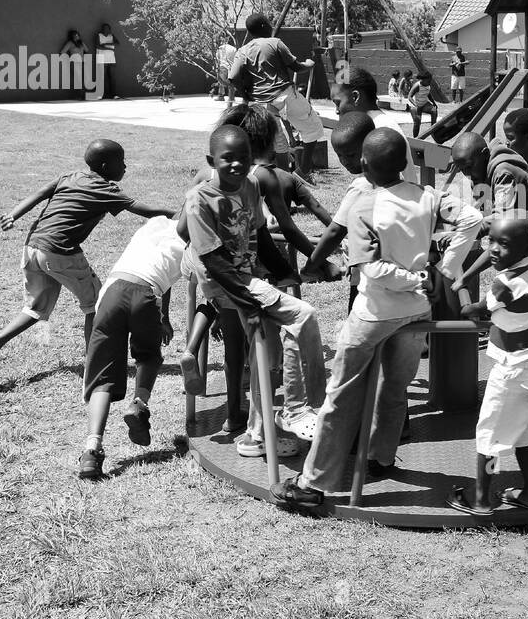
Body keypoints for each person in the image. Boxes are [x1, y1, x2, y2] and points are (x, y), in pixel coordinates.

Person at [276, 128, 481, 509]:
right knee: (394, 387)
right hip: (417, 312)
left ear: (364, 165)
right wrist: (444, 269)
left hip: (374, 315)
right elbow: (472, 219)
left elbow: (371, 271)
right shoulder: (430, 196)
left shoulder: (364, 207)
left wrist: (420, 277)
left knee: (341, 394)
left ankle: (313, 482)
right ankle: (381, 456)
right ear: (405, 163)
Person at [178, 106, 333, 437]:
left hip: (217, 273)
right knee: (270, 338)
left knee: (243, 346)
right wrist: (311, 265)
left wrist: (281, 271)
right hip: (231, 277)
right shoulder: (257, 178)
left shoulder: (238, 181)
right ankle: (290, 411)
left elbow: (257, 233)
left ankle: (243, 420)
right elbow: (285, 229)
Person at [0, 140, 174, 385]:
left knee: (34, 309)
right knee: (97, 303)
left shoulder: (69, 176)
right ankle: (94, 362)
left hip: (33, 246)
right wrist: (182, 214)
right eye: (121, 162)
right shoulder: (105, 189)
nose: (125, 166)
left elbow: (38, 194)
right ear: (104, 166)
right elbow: (145, 209)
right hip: (60, 251)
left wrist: (14, 214)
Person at [447, 216, 528, 515]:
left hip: (513, 371)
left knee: (489, 436)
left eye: (503, 244)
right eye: (491, 241)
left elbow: (472, 309)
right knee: (521, 433)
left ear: (526, 247)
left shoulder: (505, 283)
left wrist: (465, 299)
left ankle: (481, 496)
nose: (494, 250)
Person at [78, 212, 188, 480]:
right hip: (148, 294)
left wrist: (165, 317)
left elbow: (154, 264)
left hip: (113, 291)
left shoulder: (157, 223)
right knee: (149, 357)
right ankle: (139, 403)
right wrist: (162, 317)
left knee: (102, 377)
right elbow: (170, 276)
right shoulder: (192, 242)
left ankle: (92, 450)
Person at [301, 113, 379, 318]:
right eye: (339, 155)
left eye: (351, 155)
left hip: (365, 281)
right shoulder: (391, 179)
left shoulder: (361, 186)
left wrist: (311, 266)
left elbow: (335, 230)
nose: (344, 161)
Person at [227, 13, 319, 174]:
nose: (271, 26)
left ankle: (283, 178)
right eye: (269, 23)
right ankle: (304, 171)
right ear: (263, 26)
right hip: (284, 95)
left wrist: (245, 94)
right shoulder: (275, 43)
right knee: (312, 127)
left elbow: (233, 77)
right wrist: (309, 64)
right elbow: (296, 67)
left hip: (260, 103)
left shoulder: (242, 50)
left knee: (278, 143)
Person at [449, 131, 528, 217]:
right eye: (462, 170)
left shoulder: (502, 172)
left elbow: (502, 215)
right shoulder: (478, 175)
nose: (467, 174)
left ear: (485, 154)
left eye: (469, 166)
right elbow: (486, 211)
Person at [407, 72, 438, 138]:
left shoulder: (428, 85)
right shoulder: (417, 86)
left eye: (430, 80)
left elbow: (428, 94)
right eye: (429, 80)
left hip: (424, 104)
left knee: (434, 111)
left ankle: (433, 130)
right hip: (415, 105)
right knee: (417, 122)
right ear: (423, 80)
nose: (430, 81)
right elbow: (409, 97)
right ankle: (415, 138)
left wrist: (433, 102)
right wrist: (416, 105)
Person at [93, 24, 119, 100]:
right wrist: (110, 49)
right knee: (101, 77)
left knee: (112, 77)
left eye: (107, 28)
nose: (105, 30)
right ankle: (100, 94)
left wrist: (106, 44)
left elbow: (117, 43)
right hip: (101, 57)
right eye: (104, 28)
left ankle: (114, 95)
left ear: (109, 29)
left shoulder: (112, 36)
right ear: (101, 29)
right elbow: (97, 46)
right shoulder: (99, 35)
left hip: (111, 58)